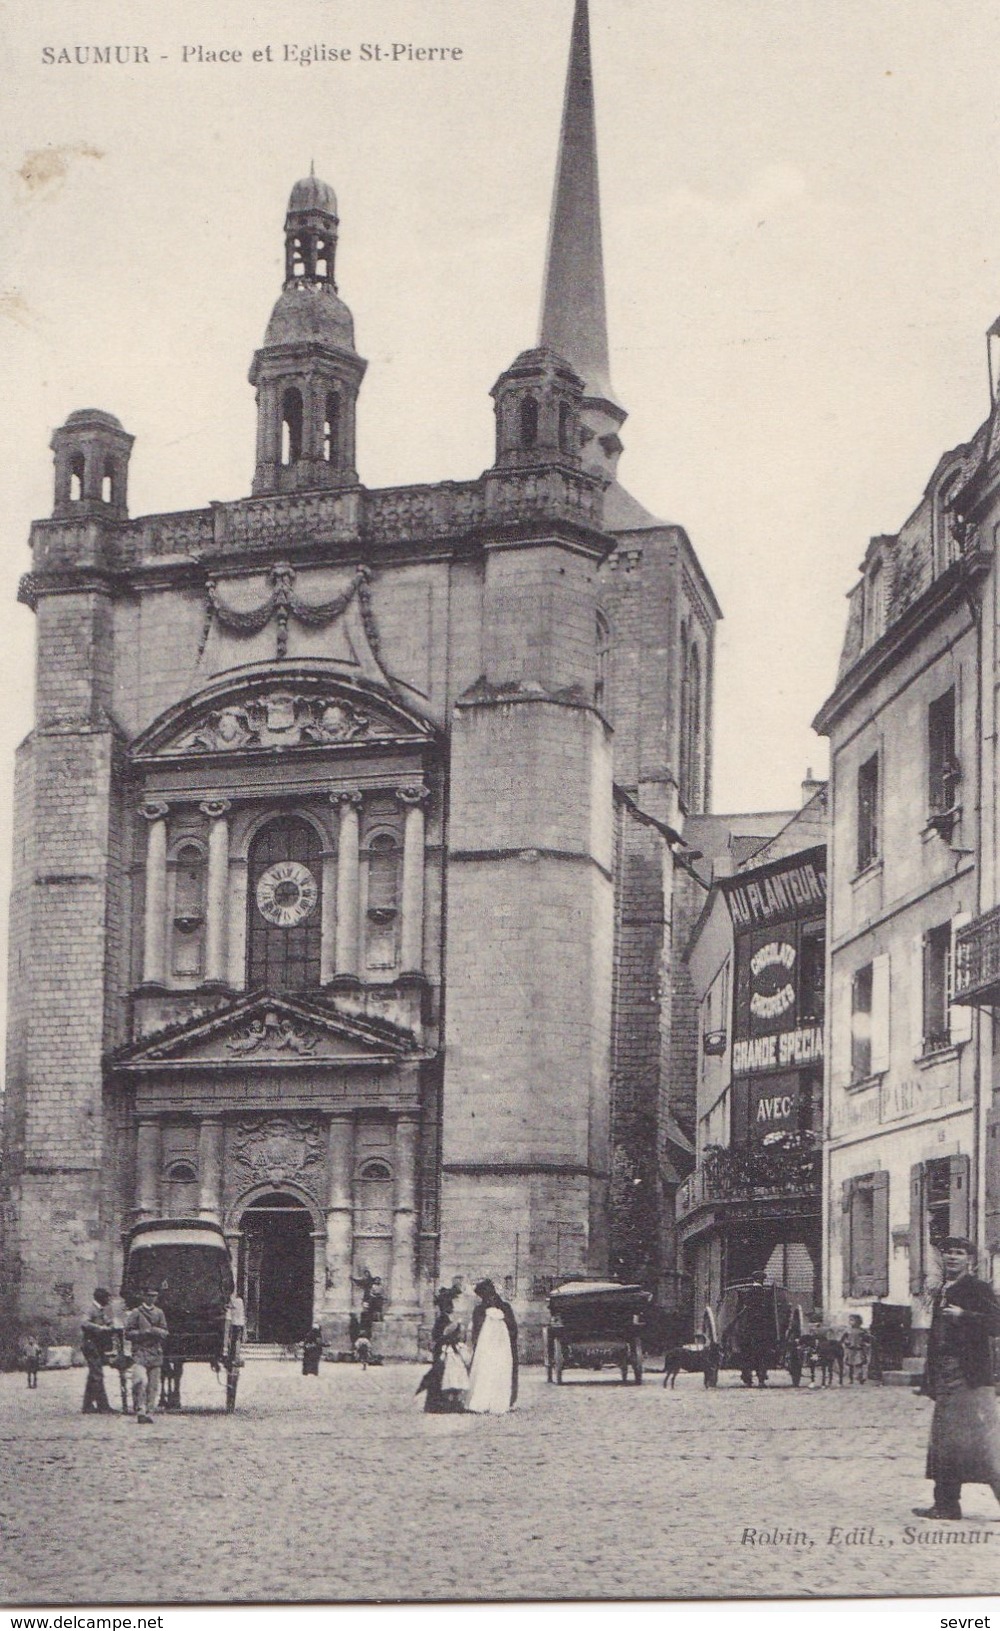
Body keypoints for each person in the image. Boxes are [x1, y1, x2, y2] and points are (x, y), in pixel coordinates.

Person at [913, 1236, 1000, 1521]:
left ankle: (949, 1504)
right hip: (945, 1375)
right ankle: (946, 1504)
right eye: (948, 1253)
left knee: (982, 1444)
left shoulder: (976, 1288)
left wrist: (965, 1314)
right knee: (944, 1442)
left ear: (970, 1260)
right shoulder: (942, 1290)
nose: (952, 1257)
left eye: (959, 1253)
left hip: (971, 1376)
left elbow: (996, 1323)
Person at [465, 1278, 518, 1414]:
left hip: (503, 1348)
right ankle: (487, 1398)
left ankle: (507, 1399)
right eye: (485, 1296)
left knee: (503, 1371)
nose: (489, 1299)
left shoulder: (505, 1308)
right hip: (486, 1350)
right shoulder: (479, 1311)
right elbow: (476, 1331)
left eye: (490, 1295)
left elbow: (513, 1329)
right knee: (486, 1372)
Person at [418, 1286, 467, 1414]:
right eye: (449, 1305)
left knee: (442, 1376)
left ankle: (441, 1403)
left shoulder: (443, 1319)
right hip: (442, 1351)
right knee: (441, 1376)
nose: (452, 1307)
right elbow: (441, 1337)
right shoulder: (442, 1320)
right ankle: (439, 1404)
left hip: (442, 1350)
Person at [125, 1287, 168, 1424]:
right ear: (143, 1297)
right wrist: (143, 1333)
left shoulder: (159, 1313)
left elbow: (165, 1331)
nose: (151, 1298)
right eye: (149, 1296)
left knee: (153, 1385)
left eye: (154, 1296)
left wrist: (157, 1331)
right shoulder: (136, 1313)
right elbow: (128, 1333)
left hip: (155, 1352)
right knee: (140, 1381)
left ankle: (150, 1411)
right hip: (140, 1352)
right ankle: (140, 1410)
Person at [80, 1288, 115, 1414]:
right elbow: (84, 1323)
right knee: (97, 1375)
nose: (108, 1300)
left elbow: (107, 1322)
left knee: (93, 1376)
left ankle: (87, 1405)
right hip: (90, 1345)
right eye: (107, 1298)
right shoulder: (91, 1309)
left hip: (97, 1346)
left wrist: (110, 1325)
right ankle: (103, 1406)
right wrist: (100, 1328)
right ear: (101, 1298)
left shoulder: (101, 1311)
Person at [738, 1270, 774, 1388]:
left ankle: (748, 1379)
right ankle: (762, 1379)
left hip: (748, 1329)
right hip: (763, 1330)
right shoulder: (767, 1294)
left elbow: (740, 1310)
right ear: (762, 1281)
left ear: (753, 1280)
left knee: (747, 1353)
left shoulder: (747, 1293)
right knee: (763, 1353)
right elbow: (771, 1312)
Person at [842, 1314, 871, 1385]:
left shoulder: (862, 1331)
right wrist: (846, 1343)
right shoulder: (847, 1331)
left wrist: (864, 1344)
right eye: (850, 1320)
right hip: (850, 1350)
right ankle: (850, 1379)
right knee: (850, 1365)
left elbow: (867, 1340)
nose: (850, 1322)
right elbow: (843, 1339)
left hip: (859, 1350)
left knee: (859, 1364)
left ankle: (860, 1378)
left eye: (852, 1320)